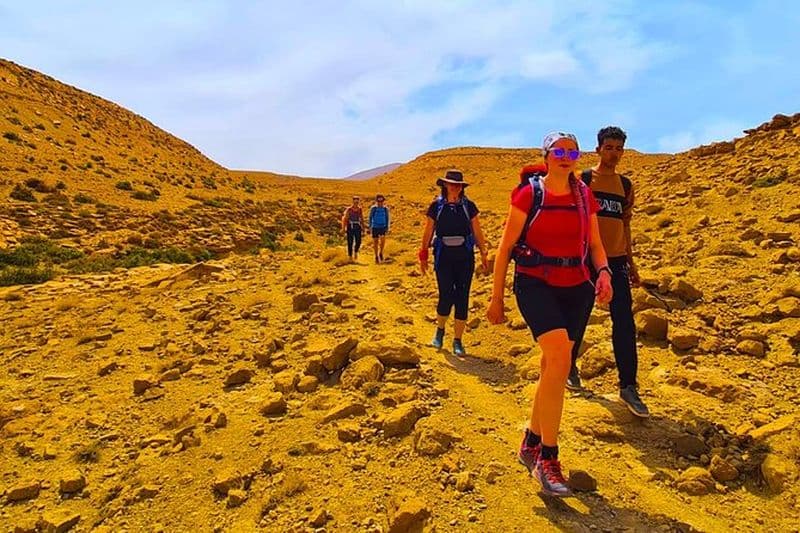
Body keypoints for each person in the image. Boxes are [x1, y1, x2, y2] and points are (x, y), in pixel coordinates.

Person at [487, 132, 613, 497]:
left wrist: (604, 272)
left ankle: (531, 440)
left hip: (577, 287)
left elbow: (595, 244)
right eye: (558, 151)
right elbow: (505, 248)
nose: (565, 157)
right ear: (546, 156)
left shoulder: (584, 195)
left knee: (552, 366)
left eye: (572, 152)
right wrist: (496, 298)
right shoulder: (530, 195)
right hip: (535, 283)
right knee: (559, 359)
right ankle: (548, 458)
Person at [567, 126, 649, 417]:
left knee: (624, 321)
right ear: (598, 149)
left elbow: (625, 225)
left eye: (619, 149)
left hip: (616, 261)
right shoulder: (584, 180)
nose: (614, 153)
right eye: (609, 148)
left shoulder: (625, 185)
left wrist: (631, 262)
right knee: (579, 315)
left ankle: (628, 386)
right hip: (586, 260)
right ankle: (568, 366)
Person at [418, 170, 489, 356]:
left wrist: (483, 251)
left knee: (462, 297)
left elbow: (477, 230)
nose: (455, 187)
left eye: (458, 185)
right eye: (451, 184)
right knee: (446, 295)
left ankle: (458, 340)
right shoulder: (436, 206)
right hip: (443, 257)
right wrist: (423, 254)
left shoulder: (469, 206)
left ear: (462, 187)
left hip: (465, 257)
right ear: (445, 185)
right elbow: (428, 230)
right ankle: (440, 331)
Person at [368, 194, 390, 263]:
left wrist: (387, 226)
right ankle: (376, 256)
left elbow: (387, 218)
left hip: (383, 227)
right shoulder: (373, 208)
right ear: (376, 201)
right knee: (375, 242)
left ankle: (381, 252)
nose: (380, 202)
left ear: (383, 201)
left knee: (383, 241)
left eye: (381, 201)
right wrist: (370, 227)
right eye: (379, 201)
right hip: (375, 227)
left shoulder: (385, 209)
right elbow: (370, 217)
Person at [342, 196, 365, 261]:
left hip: (357, 226)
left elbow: (361, 218)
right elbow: (345, 219)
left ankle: (355, 251)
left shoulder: (360, 209)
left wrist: (363, 227)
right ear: (353, 201)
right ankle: (350, 256)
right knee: (350, 242)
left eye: (357, 201)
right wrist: (344, 228)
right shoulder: (349, 209)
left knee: (358, 241)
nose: (356, 203)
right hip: (350, 226)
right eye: (355, 201)